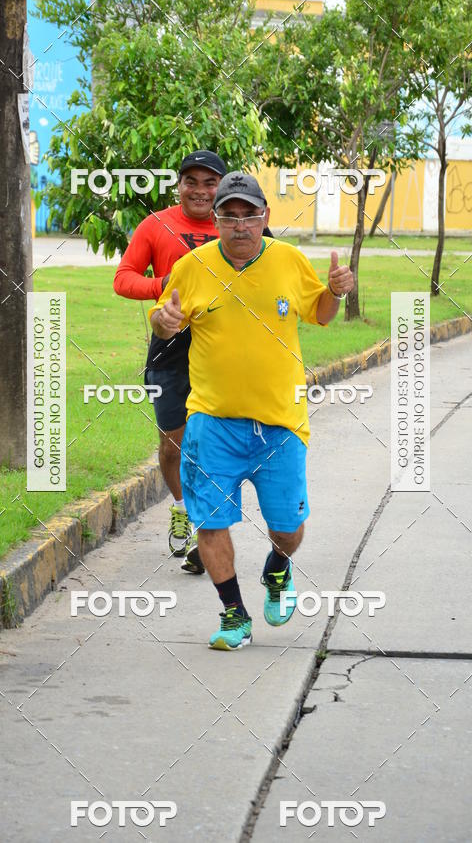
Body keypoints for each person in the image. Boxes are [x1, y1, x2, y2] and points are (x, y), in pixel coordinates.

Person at [150, 172, 354, 650]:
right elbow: (164, 323)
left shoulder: (288, 260)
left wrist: (336, 292)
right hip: (211, 421)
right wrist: (164, 321)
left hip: (280, 423)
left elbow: (320, 313)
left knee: (288, 526)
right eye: (229, 215)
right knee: (212, 521)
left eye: (249, 215)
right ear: (216, 219)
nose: (240, 225)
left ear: (265, 217)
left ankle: (278, 566)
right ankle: (234, 614)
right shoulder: (193, 266)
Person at [114, 151, 273, 574]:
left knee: (211, 444)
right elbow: (123, 278)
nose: (200, 191)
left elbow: (272, 273)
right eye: (192, 181)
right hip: (171, 347)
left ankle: (207, 533)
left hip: (226, 349)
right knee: (173, 443)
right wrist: (163, 285)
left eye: (209, 182)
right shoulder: (156, 225)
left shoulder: (241, 224)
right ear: (178, 184)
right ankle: (183, 509)